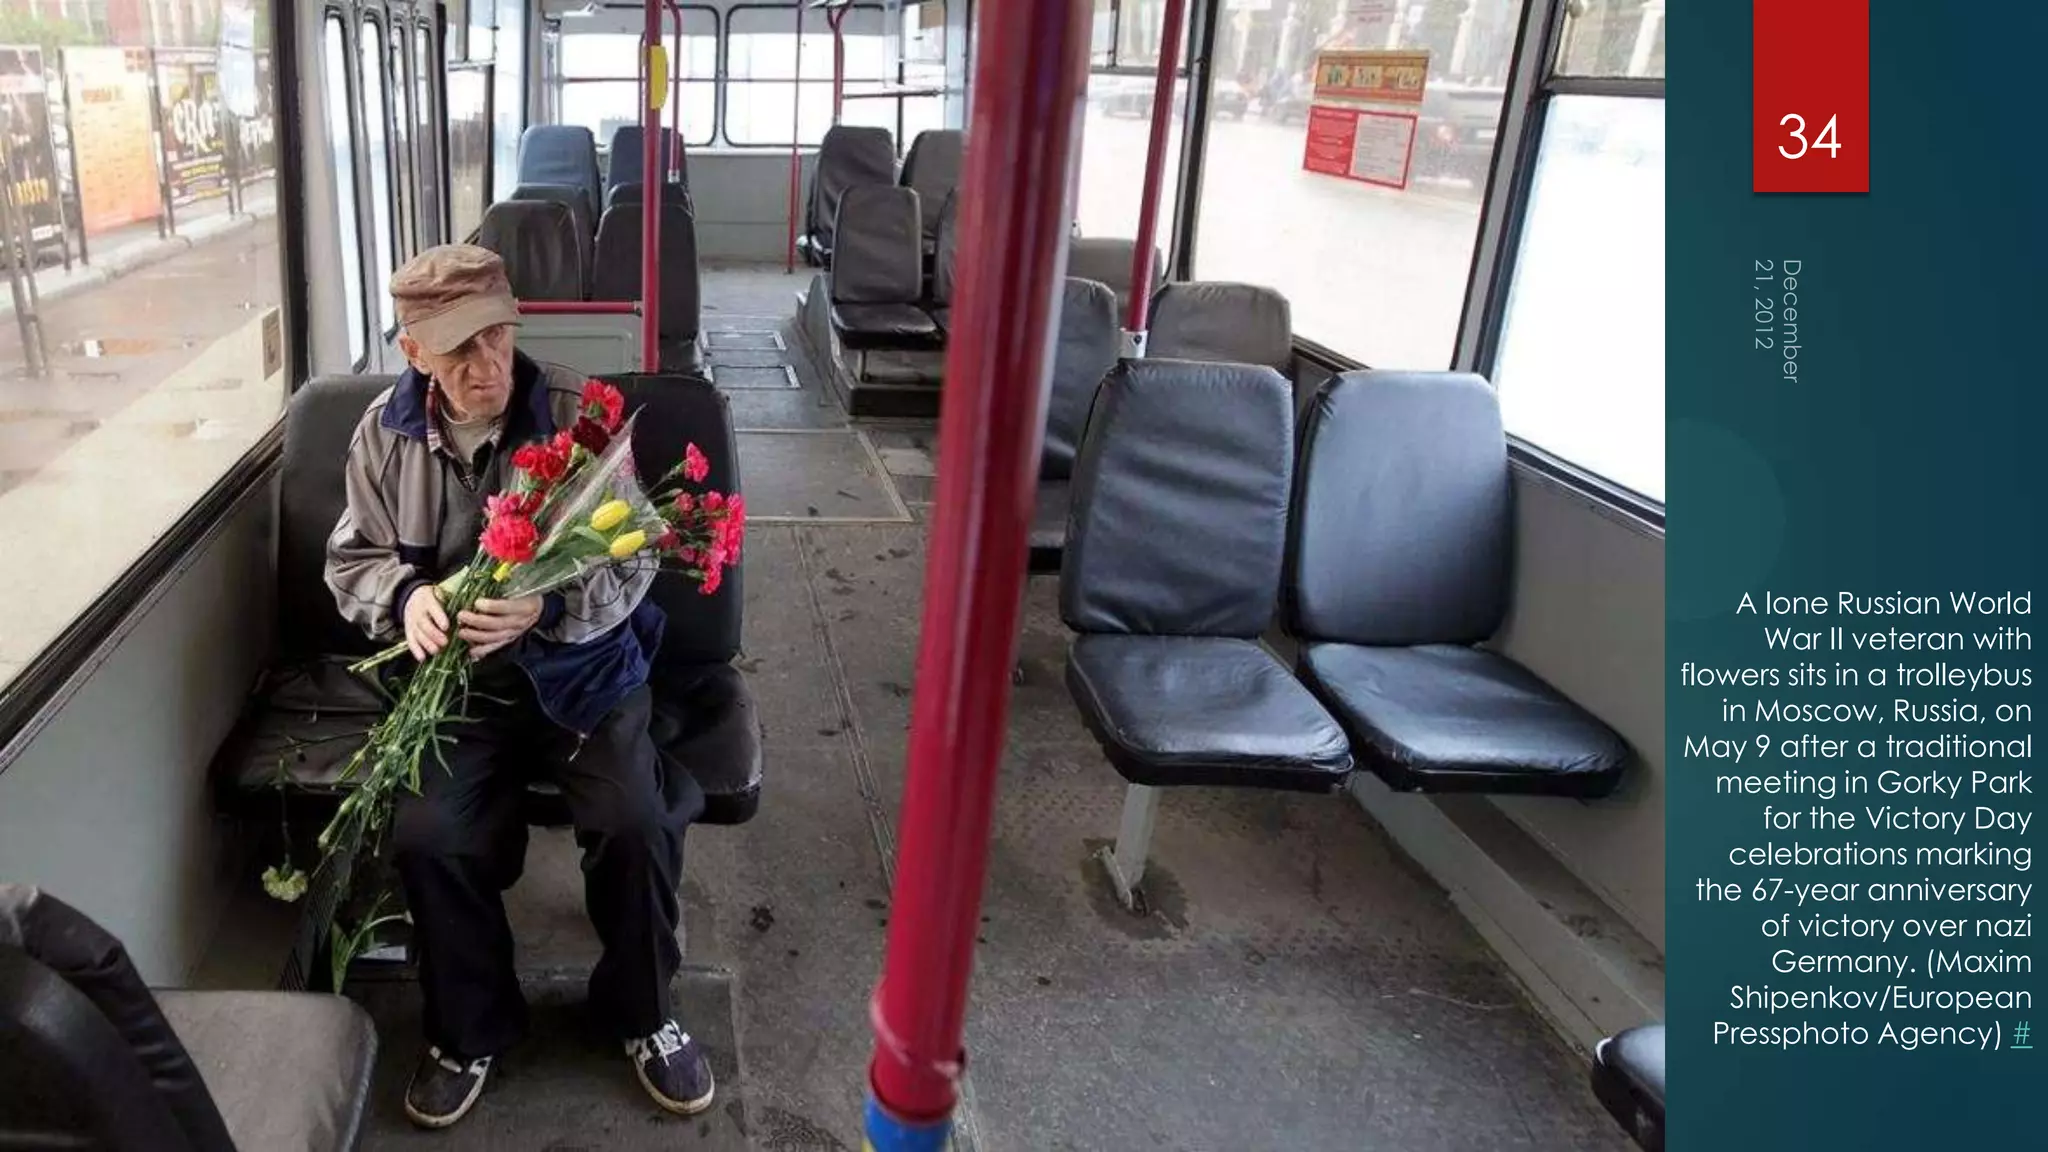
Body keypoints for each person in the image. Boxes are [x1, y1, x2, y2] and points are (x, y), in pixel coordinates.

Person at [323, 244, 711, 1129]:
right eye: (459, 347)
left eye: (498, 336)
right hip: (460, 685)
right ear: (413, 351)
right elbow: (352, 559)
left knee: (634, 822)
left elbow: (635, 558)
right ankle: (470, 1028)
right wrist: (408, 596)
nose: (487, 363)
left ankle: (641, 1012)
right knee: (428, 835)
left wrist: (547, 602)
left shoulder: (578, 418)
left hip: (584, 671)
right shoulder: (383, 438)